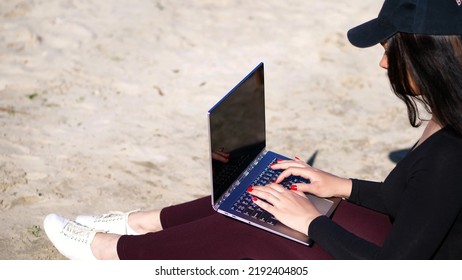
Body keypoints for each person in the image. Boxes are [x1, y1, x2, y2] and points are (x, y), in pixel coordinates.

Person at [43, 0, 462, 260]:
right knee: (268, 191)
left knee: (256, 224)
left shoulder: (450, 153)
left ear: (427, 57)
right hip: (399, 243)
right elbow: (413, 201)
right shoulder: (449, 117)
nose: (383, 64)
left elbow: (395, 268)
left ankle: (116, 252)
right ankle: (143, 223)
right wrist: (338, 185)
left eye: (390, 50)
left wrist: (310, 224)